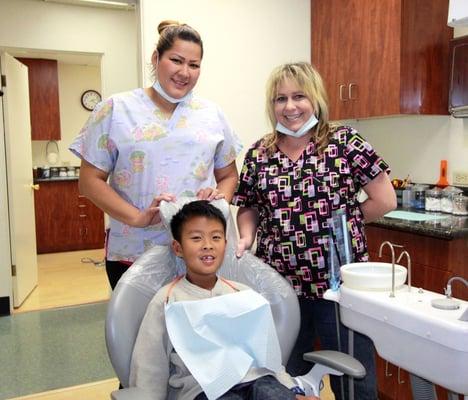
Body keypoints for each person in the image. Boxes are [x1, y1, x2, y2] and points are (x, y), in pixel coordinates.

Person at [232, 62, 397, 400]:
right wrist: (247, 236)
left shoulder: (344, 142)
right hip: (278, 286)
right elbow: (248, 206)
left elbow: (385, 199)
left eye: (298, 96)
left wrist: (341, 226)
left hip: (337, 286)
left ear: (316, 99)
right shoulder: (259, 153)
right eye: (280, 99)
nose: (289, 107)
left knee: (353, 376)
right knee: (279, 375)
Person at [69, 20, 242, 289]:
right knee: (139, 330)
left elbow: (229, 175)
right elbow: (89, 181)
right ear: (156, 58)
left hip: (199, 256)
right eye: (176, 60)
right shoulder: (116, 109)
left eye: (194, 65)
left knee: (195, 328)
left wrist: (218, 199)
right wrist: (137, 217)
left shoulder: (212, 115)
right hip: (134, 252)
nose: (185, 72)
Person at [129, 200, 319, 400]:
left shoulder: (243, 294)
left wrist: (294, 392)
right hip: (202, 390)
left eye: (216, 237)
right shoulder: (167, 301)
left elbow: (269, 357)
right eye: (196, 238)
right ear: (178, 248)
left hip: (257, 380)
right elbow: (150, 364)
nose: (207, 245)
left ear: (225, 245)